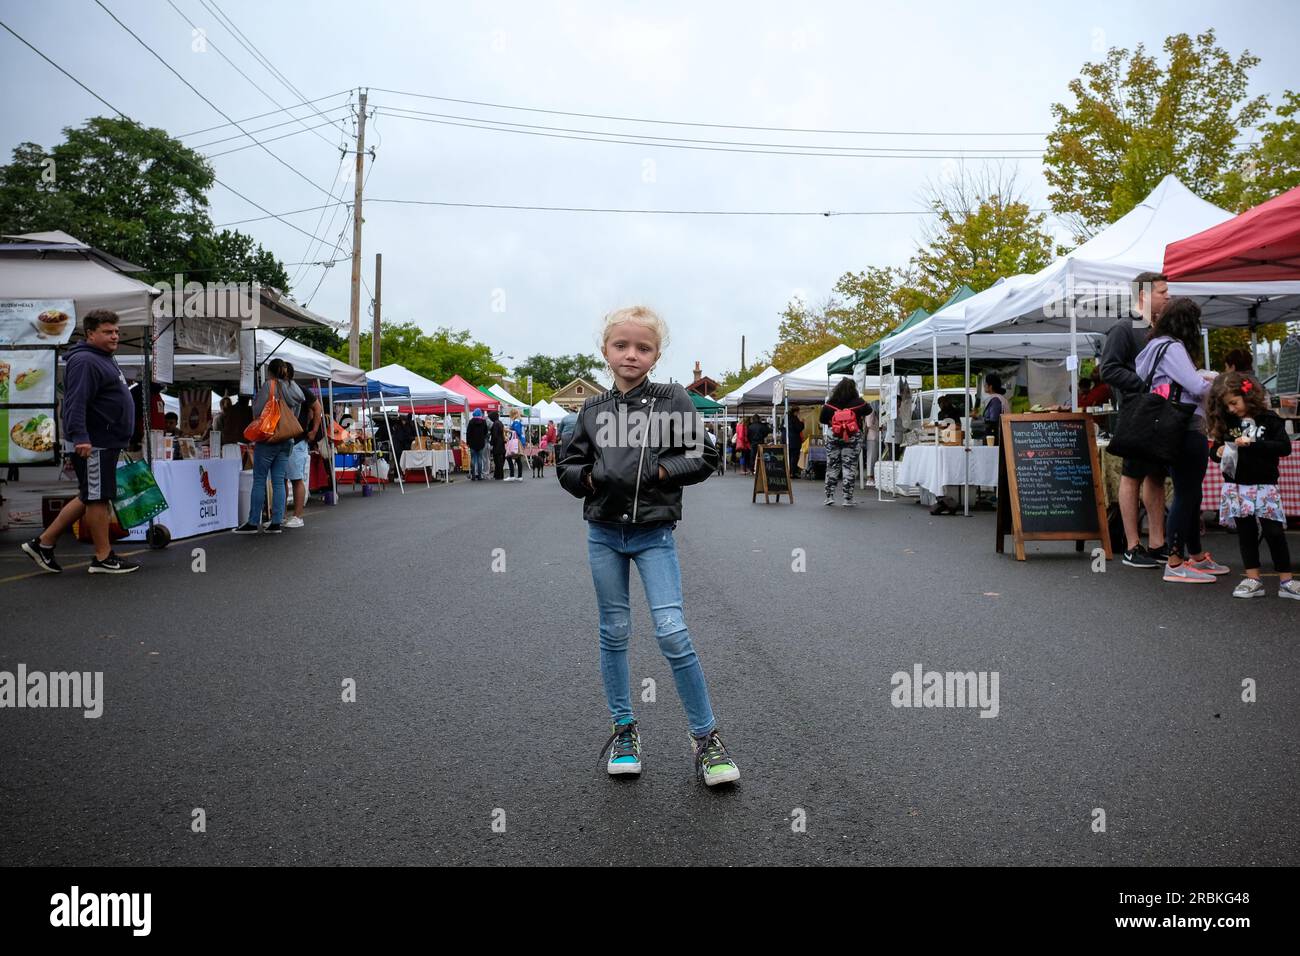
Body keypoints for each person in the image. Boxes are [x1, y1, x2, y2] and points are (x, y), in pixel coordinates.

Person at [556, 305, 736, 786]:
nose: (631, 354)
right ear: (605, 351)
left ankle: (706, 739)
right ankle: (624, 729)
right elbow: (567, 467)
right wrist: (591, 477)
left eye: (643, 347)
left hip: (654, 533)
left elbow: (704, 454)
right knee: (613, 632)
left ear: (656, 354)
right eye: (622, 345)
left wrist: (656, 471)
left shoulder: (672, 399)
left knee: (672, 632)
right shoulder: (591, 411)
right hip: (604, 534)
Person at [22, 310, 139, 574]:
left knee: (89, 495)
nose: (115, 336)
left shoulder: (103, 358)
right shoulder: (86, 361)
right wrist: (81, 437)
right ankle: (102, 557)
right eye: (108, 332)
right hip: (95, 442)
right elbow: (75, 402)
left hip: (105, 440)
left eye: (117, 332)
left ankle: (43, 543)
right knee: (97, 498)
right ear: (90, 334)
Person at [1134, 297, 1227, 584]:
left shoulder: (1153, 346)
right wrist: (1214, 380)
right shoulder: (1173, 347)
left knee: (1190, 492)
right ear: (1187, 324)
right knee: (1186, 493)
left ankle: (1194, 556)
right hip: (1186, 424)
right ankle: (1175, 562)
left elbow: (1145, 375)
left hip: (1170, 426)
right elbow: (1196, 386)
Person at [1207, 372, 1298, 600]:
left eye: (1234, 403)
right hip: (1236, 487)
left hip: (1265, 486)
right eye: (1226, 406)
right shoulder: (1228, 423)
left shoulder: (1269, 419)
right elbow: (1217, 451)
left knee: (1274, 532)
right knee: (1246, 533)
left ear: (1247, 396)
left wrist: (1253, 445)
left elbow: (1284, 447)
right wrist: (1217, 452)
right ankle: (1253, 578)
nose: (1231, 409)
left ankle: (1286, 581)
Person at [1101, 271, 1170, 569]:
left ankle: (1157, 543)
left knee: (1155, 475)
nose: (1168, 297)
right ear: (1143, 295)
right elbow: (1109, 369)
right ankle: (1132, 546)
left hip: (1162, 414)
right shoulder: (1124, 328)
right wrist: (1144, 384)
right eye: (1162, 292)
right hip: (1135, 413)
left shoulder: (1164, 329)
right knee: (1132, 475)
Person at [233, 358, 303, 535]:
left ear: (270, 372)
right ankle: (276, 522)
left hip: (269, 439)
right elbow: (296, 413)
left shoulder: (269, 386)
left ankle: (253, 521)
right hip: (287, 439)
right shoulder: (295, 389)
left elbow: (257, 412)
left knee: (259, 479)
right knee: (278, 480)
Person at [820, 378, 870, 507]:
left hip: (834, 437)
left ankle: (829, 496)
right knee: (849, 467)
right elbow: (868, 410)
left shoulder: (830, 403)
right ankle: (847, 498)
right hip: (852, 437)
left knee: (832, 466)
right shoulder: (858, 402)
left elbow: (822, 419)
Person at [283, 364, 320, 529]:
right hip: (282, 440)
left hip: (298, 440)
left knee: (296, 478)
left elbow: (317, 408)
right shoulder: (278, 391)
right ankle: (281, 515)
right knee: (281, 479)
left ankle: (298, 516)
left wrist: (314, 430)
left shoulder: (300, 390)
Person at [466, 409, 489, 480]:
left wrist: (468, 442)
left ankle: (473, 475)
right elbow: (486, 432)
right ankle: (479, 476)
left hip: (472, 443)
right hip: (481, 443)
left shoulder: (471, 422)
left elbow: (468, 433)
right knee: (480, 459)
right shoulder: (483, 422)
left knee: (473, 459)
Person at [785, 407, 804, 479]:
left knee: (788, 456)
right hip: (794, 441)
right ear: (795, 412)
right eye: (798, 412)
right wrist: (802, 423)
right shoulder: (794, 419)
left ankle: (788, 472)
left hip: (787, 440)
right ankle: (792, 472)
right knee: (794, 457)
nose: (798, 414)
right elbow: (798, 428)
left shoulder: (786, 418)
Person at [488, 410, 506, 480]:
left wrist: (491, 443)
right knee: (500, 460)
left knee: (497, 460)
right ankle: (499, 475)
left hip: (497, 444)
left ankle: (498, 475)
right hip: (501, 444)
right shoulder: (500, 423)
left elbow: (494, 435)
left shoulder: (495, 424)